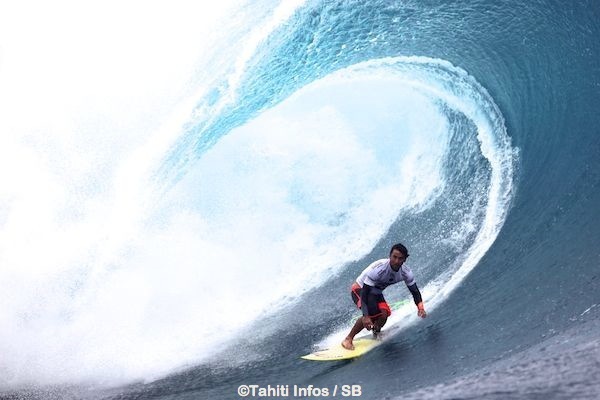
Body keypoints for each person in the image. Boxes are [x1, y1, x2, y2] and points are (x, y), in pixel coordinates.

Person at [341, 243, 427, 350]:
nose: (396, 261)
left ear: (405, 259)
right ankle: (348, 339)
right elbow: (365, 293)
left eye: (400, 258)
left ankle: (376, 333)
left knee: (384, 314)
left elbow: (415, 292)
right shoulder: (379, 269)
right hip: (360, 289)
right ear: (389, 256)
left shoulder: (406, 273)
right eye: (394, 257)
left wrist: (420, 308)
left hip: (375, 292)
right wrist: (366, 316)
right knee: (372, 313)